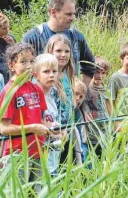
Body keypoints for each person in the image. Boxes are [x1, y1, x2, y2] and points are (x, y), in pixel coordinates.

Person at [0, 43, 49, 193]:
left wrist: (56, 130)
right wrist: (33, 128)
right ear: (11, 65)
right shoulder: (9, 91)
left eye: (32, 61)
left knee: (36, 193)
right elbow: (4, 129)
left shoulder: (36, 88)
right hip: (17, 155)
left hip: (38, 152)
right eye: (23, 62)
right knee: (17, 193)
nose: (29, 66)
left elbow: (43, 119)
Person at [22, 0, 96, 86]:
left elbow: (90, 65)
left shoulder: (77, 36)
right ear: (53, 12)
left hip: (70, 96)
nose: (73, 18)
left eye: (74, 14)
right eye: (68, 14)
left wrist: (81, 89)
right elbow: (22, 69)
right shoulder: (34, 36)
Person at [44, 34, 77, 164]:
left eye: (67, 51)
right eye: (58, 51)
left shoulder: (67, 75)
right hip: (53, 132)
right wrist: (57, 129)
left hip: (68, 129)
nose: (63, 54)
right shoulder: (47, 77)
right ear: (50, 52)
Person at [33, 53, 67, 177]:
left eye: (54, 71)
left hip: (53, 153)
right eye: (46, 71)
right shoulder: (34, 96)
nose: (51, 75)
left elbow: (53, 118)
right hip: (40, 157)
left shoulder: (52, 94)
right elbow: (34, 120)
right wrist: (53, 128)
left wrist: (62, 130)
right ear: (36, 75)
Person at [79, 56, 112, 162]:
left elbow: (111, 112)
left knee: (103, 161)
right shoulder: (85, 87)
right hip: (88, 135)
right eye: (96, 72)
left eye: (103, 73)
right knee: (88, 163)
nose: (99, 76)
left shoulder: (108, 90)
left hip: (104, 134)